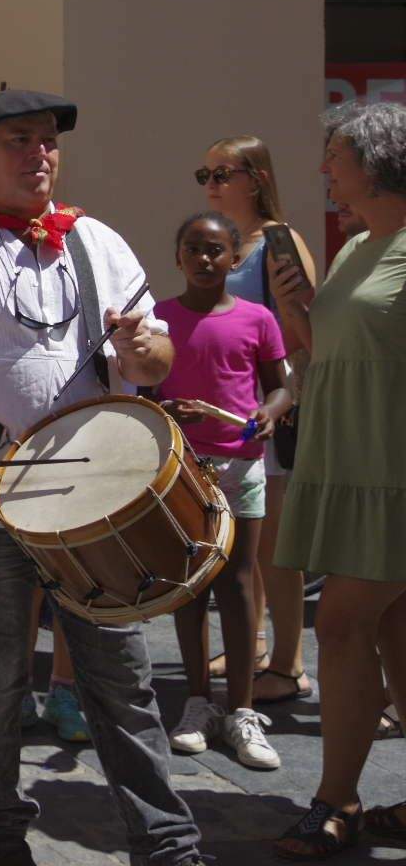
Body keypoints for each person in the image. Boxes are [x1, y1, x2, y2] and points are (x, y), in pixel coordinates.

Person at [0, 87, 205, 866]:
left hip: (95, 510)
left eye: (48, 141)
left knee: (121, 682)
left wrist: (142, 348)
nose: (40, 154)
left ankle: (167, 844)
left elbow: (153, 362)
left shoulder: (97, 242)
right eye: (20, 140)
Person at [266, 99, 406, 859]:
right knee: (392, 631)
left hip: (394, 472)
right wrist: (296, 315)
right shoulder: (357, 248)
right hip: (351, 461)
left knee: (343, 624)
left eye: (336, 155)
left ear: (378, 164)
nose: (324, 169)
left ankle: (336, 800)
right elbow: (332, 355)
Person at [154, 211, 290, 771]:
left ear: (235, 259)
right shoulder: (159, 320)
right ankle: (195, 703)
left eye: (216, 250)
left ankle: (241, 708)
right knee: (188, 583)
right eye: (194, 248)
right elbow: (140, 390)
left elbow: (282, 388)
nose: (205, 259)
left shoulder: (258, 318)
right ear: (178, 256)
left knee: (236, 582)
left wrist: (270, 413)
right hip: (181, 469)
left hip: (242, 466)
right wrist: (160, 410)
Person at [195, 133, 318, 708]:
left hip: (273, 408)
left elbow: (305, 328)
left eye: (224, 173)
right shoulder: (232, 242)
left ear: (257, 178)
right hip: (236, 415)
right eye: (207, 175)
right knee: (246, 537)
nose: (213, 184)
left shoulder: (278, 240)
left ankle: (290, 665)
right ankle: (259, 646)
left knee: (274, 546)